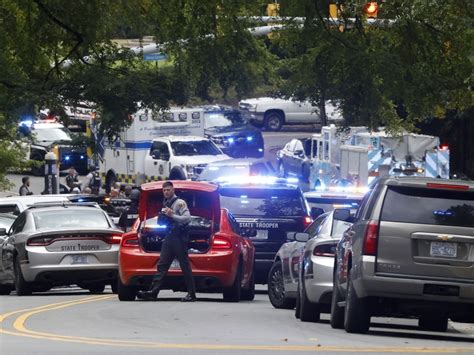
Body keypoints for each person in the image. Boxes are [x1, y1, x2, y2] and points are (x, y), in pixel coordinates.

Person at [137, 181, 196, 302]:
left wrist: (172, 215)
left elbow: (187, 218)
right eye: (164, 190)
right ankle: (153, 292)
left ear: (173, 190)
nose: (166, 192)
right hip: (169, 237)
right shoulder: (165, 203)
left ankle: (191, 294)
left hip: (179, 237)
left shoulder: (180, 203)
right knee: (162, 265)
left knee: (184, 266)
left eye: (168, 190)